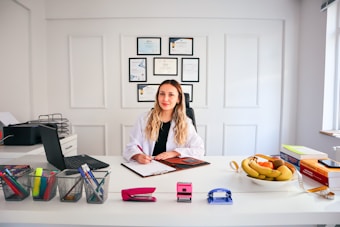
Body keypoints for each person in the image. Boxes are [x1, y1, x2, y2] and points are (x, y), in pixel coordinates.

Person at [123, 79, 205, 164]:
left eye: (171, 95)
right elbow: (131, 146)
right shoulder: (144, 119)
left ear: (178, 99)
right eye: (162, 94)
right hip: (148, 167)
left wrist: (174, 153)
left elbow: (199, 149)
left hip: (174, 168)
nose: (165, 99)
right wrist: (137, 156)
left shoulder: (186, 123)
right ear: (157, 97)